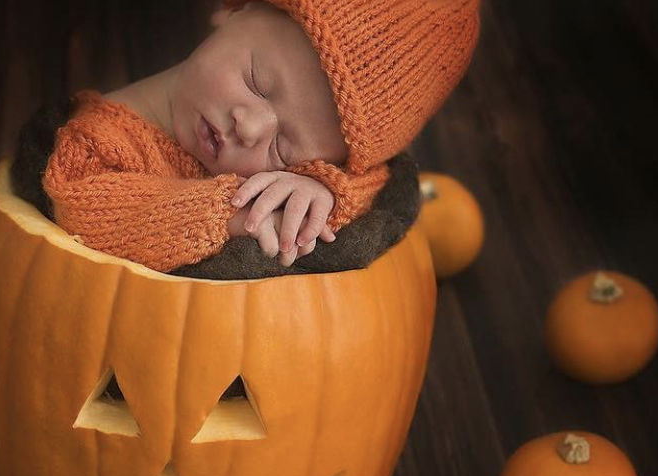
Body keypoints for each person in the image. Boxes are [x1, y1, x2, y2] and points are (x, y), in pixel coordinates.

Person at [36, 0, 479, 273]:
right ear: (237, 9)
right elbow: (83, 208)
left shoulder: (311, 169)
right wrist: (229, 215)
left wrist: (324, 189)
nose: (250, 127)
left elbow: (375, 180)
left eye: (282, 147)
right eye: (257, 82)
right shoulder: (98, 140)